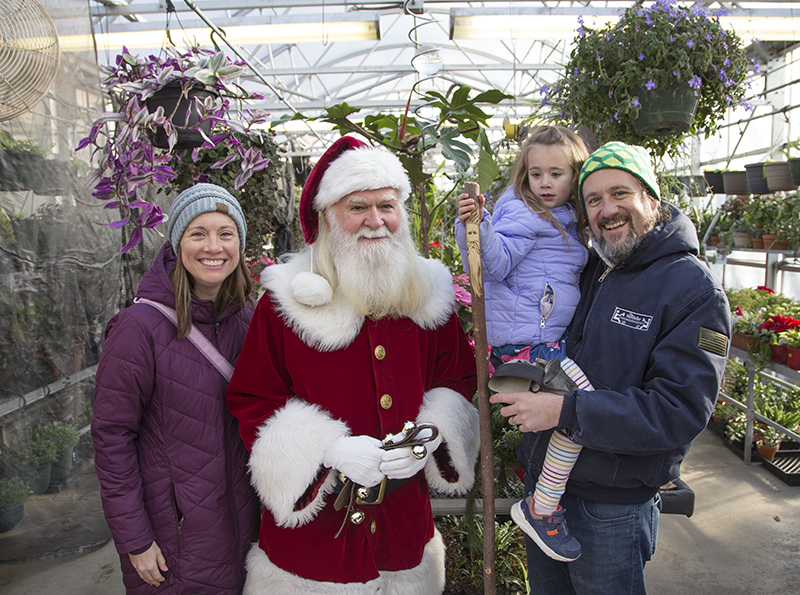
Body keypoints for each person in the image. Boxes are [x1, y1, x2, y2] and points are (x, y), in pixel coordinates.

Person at [226, 135, 480, 594]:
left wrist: (429, 437)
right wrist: (327, 450)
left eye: (386, 205)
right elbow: (253, 397)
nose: (375, 220)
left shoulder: (429, 296)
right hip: (314, 544)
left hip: (403, 532)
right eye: (357, 207)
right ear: (328, 218)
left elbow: (458, 378)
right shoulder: (284, 303)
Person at [490, 142, 731, 594]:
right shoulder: (592, 266)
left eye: (620, 193)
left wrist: (564, 413)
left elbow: (678, 411)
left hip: (611, 506)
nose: (607, 209)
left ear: (651, 199)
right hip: (547, 490)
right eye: (594, 200)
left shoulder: (691, 289)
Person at [92, 184, 261, 594]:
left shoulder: (251, 320)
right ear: (177, 242)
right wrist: (135, 540)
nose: (213, 246)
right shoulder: (138, 328)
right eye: (198, 233)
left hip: (245, 529)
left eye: (226, 233)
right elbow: (112, 438)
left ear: (239, 243)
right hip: (173, 541)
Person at [454, 125, 591, 562]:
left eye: (556, 173)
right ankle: (542, 506)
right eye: (536, 174)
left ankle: (543, 500)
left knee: (578, 418)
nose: (545, 184)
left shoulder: (568, 219)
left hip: (543, 343)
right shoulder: (523, 214)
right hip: (522, 350)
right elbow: (491, 263)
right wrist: (476, 225)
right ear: (524, 176)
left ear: (575, 176)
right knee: (586, 408)